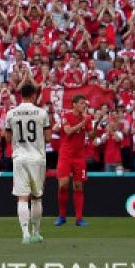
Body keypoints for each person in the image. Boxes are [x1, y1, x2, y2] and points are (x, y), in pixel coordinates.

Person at [5, 82, 50, 244]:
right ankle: (36, 233)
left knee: (22, 198)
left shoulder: (11, 114)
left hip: (19, 157)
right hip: (37, 158)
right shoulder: (42, 113)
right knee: (37, 197)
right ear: (33, 95)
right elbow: (49, 138)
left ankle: (25, 235)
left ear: (20, 95)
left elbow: (8, 138)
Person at [54, 94, 91, 227]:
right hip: (66, 155)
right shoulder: (66, 116)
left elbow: (91, 135)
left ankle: (79, 218)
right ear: (74, 104)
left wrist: (94, 124)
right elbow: (68, 131)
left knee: (78, 186)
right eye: (81, 103)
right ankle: (62, 215)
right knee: (63, 184)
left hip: (80, 156)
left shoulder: (87, 118)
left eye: (85, 104)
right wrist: (83, 123)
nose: (84, 106)